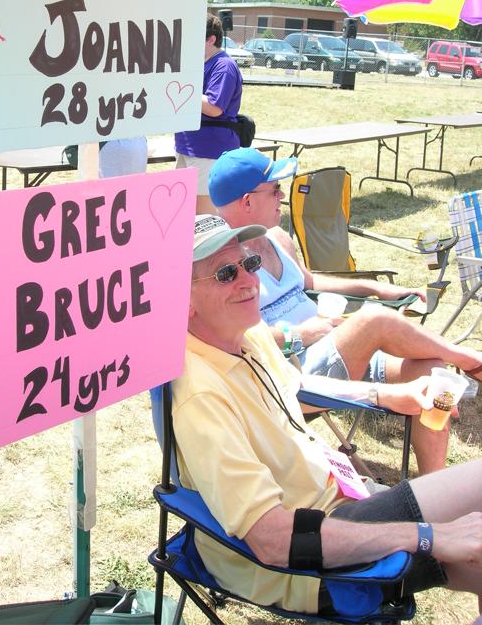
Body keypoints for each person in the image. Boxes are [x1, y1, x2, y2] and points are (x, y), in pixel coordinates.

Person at [175, 213, 482, 618]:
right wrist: (427, 537)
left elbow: (293, 389)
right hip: (299, 561)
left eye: (249, 264)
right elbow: (271, 541)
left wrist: (389, 395)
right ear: (183, 300)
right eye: (225, 273)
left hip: (336, 501)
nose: (250, 281)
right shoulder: (199, 395)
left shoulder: (245, 335)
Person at [208, 147, 482, 475]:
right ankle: (469, 360)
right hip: (292, 373)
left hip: (335, 348)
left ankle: (433, 488)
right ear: (247, 200)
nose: (283, 195)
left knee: (427, 368)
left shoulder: (278, 238)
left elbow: (310, 280)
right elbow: (229, 339)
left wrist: (375, 287)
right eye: (275, 189)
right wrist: (302, 334)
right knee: (372, 319)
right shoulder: (221, 264)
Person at [175, 13, 243, 215]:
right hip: (189, 147)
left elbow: (214, 107)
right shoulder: (201, 63)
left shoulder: (224, 66)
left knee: (204, 219)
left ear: (211, 39)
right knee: (183, 213)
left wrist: (180, 90)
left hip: (209, 150)